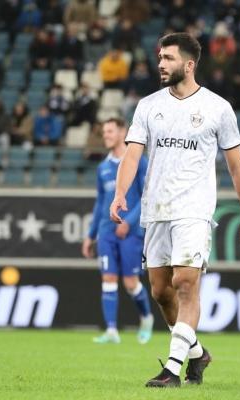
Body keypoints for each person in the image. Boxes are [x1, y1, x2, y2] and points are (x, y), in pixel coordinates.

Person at [109, 32, 240, 388]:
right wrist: (120, 193)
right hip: (157, 209)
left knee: (186, 282)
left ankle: (172, 370)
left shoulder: (217, 108)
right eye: (160, 57)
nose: (161, 64)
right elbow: (132, 155)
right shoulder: (148, 106)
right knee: (162, 291)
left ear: (189, 65)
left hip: (194, 209)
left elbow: (236, 167)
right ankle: (197, 353)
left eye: (169, 58)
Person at [82, 117, 154, 345]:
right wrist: (90, 235)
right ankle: (111, 330)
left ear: (123, 132)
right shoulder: (103, 167)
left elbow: (146, 196)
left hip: (130, 232)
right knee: (108, 279)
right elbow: (100, 203)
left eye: (110, 131)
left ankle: (146, 318)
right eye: (104, 132)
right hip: (106, 231)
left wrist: (129, 222)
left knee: (131, 283)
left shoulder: (138, 161)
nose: (106, 136)